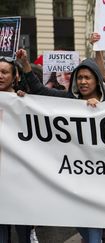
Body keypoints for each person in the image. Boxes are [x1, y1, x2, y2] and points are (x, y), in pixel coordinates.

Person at [16, 49, 105, 243]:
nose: (82, 82)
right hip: (72, 175)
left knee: (94, 224)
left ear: (97, 80)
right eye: (79, 77)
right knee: (80, 220)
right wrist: (25, 64)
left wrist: (99, 108)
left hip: (100, 175)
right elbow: (40, 91)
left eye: (87, 78)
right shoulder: (68, 101)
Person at [0, 56, 32, 243]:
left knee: (23, 233)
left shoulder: (25, 101)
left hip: (20, 179)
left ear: (14, 76)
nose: (0, 76)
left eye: (4, 72)